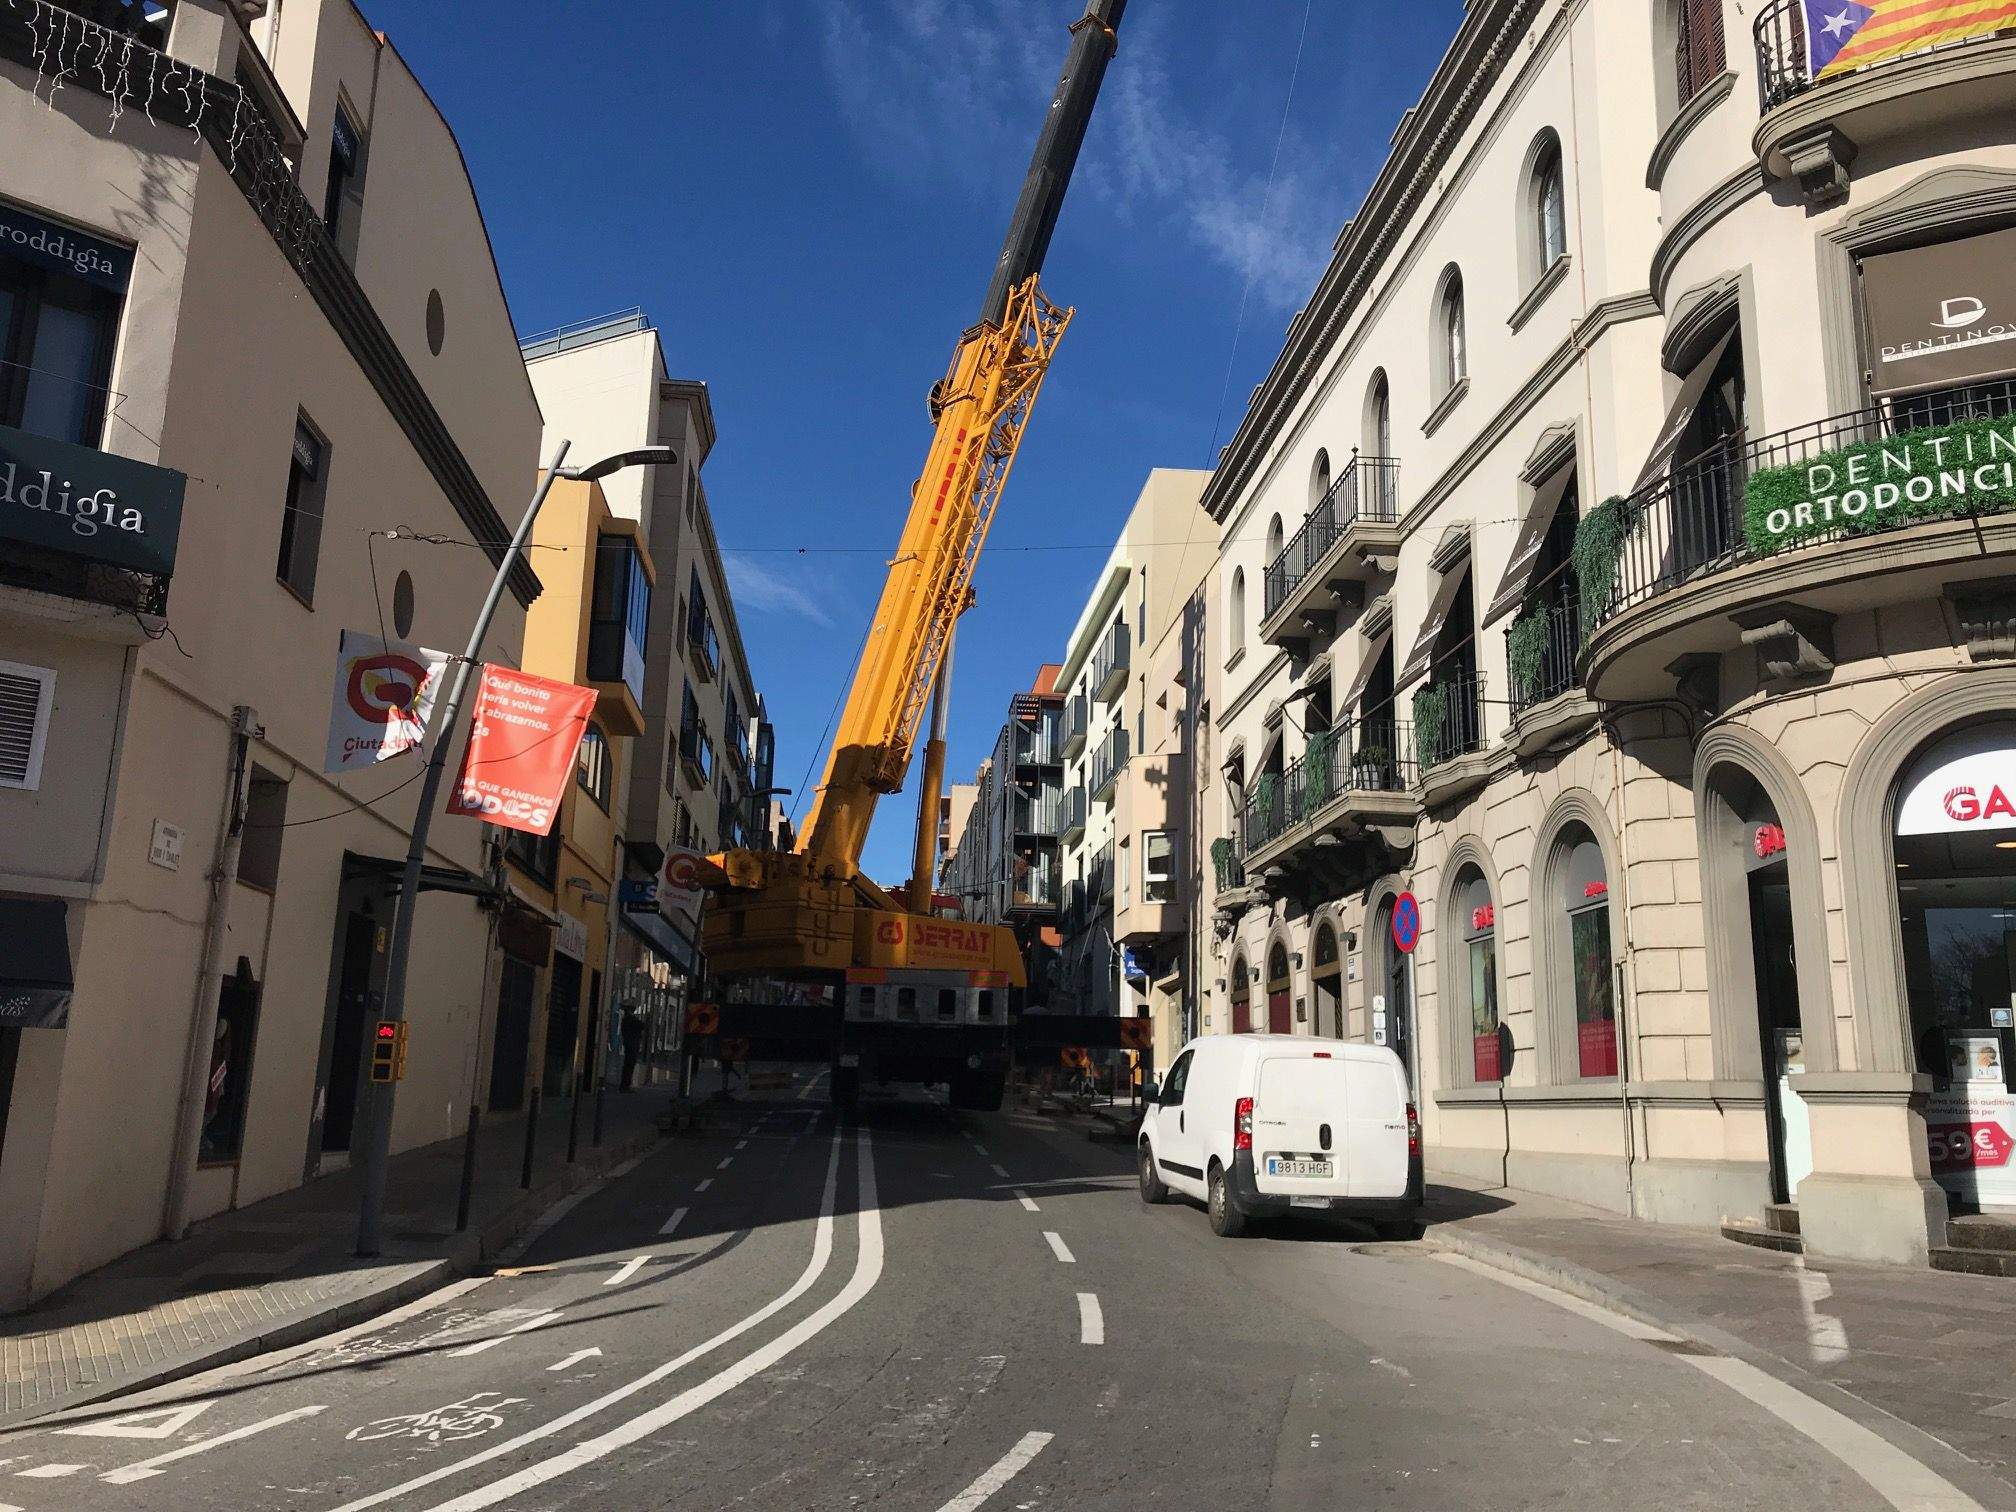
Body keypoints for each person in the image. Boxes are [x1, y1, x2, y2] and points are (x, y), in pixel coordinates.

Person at [619, 1004, 645, 1093]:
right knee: (629, 1065)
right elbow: (642, 1025)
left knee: (627, 1065)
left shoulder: (625, 1020)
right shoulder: (630, 1019)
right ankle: (625, 1086)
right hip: (632, 1045)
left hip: (629, 1044)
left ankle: (624, 1085)